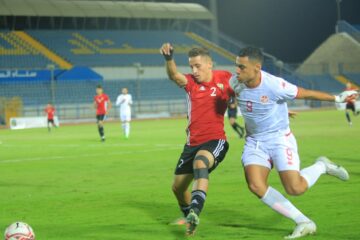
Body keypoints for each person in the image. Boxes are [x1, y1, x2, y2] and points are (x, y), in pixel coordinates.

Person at [230, 46, 357, 239]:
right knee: (255, 185)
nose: (237, 71)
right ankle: (304, 222)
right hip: (255, 142)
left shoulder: (274, 85)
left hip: (279, 139)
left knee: (295, 188)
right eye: (236, 66)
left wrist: (337, 98)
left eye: (242, 67)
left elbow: (305, 93)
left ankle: (322, 166)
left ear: (257, 68)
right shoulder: (236, 82)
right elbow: (251, 103)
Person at [160, 43, 234, 236]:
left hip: (215, 140)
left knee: (200, 163)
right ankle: (188, 218)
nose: (194, 70)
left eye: (197, 66)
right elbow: (174, 76)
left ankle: (195, 211)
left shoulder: (226, 78)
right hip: (192, 143)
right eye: (191, 66)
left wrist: (275, 107)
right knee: (177, 188)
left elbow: (247, 91)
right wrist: (169, 59)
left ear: (210, 64)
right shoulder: (190, 83)